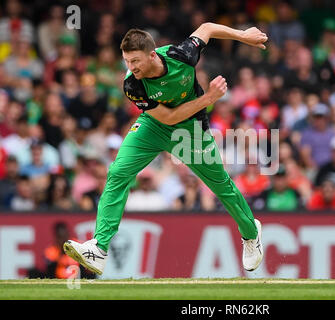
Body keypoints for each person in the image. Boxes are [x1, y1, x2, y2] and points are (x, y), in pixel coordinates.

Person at [64, 23, 267, 275]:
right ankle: (99, 249)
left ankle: (250, 234)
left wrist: (242, 36)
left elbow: (206, 28)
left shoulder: (181, 55)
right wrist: (208, 98)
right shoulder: (132, 85)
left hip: (190, 130)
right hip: (155, 125)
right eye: (127, 61)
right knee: (118, 172)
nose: (132, 67)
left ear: (152, 55)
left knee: (220, 185)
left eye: (136, 61)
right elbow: (168, 118)